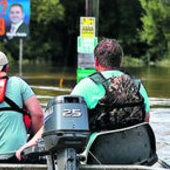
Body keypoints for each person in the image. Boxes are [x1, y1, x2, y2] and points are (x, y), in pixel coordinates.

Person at [16, 38, 150, 158]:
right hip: (137, 153)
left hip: (98, 155)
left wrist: (31, 143)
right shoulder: (138, 86)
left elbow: (61, 121)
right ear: (120, 61)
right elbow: (145, 121)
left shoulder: (86, 86)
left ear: (96, 62)